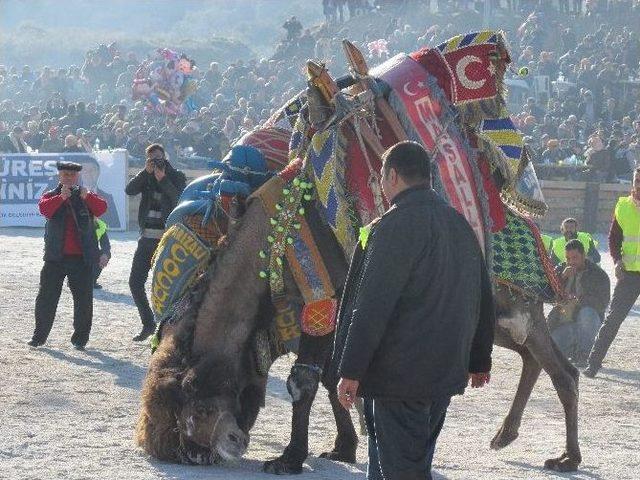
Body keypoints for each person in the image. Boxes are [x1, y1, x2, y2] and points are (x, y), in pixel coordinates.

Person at [331, 141, 495, 480]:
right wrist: (479, 359)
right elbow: (481, 297)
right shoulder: (459, 226)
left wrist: (351, 369)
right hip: (442, 374)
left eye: (381, 177)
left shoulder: (394, 226)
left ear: (392, 176)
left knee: (402, 471)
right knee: (397, 465)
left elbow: (372, 304)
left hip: (399, 376)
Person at [29, 161, 107, 350]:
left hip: (82, 259)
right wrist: (61, 198)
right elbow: (44, 210)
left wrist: (87, 197)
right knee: (46, 299)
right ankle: (39, 337)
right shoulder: (51, 195)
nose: (68, 178)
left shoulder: (86, 194)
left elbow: (102, 209)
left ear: (77, 177)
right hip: (55, 258)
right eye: (65, 175)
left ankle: (80, 340)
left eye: (72, 175)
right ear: (59, 176)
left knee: (83, 301)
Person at [125, 143, 186, 341]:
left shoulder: (176, 176)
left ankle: (170, 331)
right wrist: (145, 172)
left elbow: (179, 200)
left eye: (159, 158)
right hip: (146, 238)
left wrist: (164, 180)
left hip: (168, 240)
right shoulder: (146, 176)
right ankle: (148, 324)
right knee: (135, 283)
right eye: (152, 159)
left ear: (165, 156)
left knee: (170, 288)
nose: (156, 161)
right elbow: (129, 190)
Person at [585, 167, 640, 377]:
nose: (639, 184)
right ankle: (593, 364)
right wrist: (616, 261)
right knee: (613, 319)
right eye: (637, 180)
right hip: (629, 274)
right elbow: (614, 238)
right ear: (633, 182)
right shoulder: (623, 206)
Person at [547, 240, 610, 366]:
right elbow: (547, 294)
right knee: (551, 352)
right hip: (565, 321)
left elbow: (602, 303)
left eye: (575, 258)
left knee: (587, 313)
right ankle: (573, 351)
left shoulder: (598, 274)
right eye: (568, 258)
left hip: (588, 321)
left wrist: (579, 300)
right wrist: (561, 278)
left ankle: (584, 355)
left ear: (584, 255)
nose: (571, 262)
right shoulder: (561, 269)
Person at [94, 218, 111, 289]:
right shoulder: (75, 222)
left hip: (91, 250)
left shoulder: (101, 225)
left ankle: (92, 280)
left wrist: (105, 254)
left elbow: (106, 244)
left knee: (105, 254)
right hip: (76, 251)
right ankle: (73, 280)